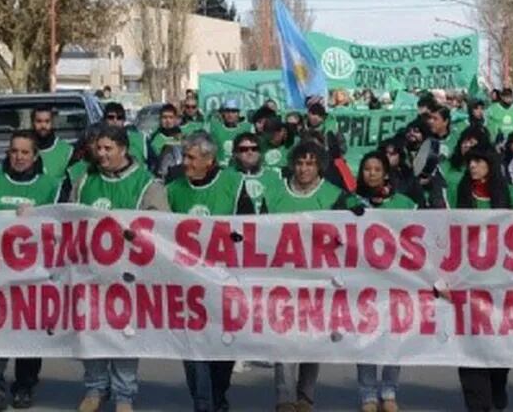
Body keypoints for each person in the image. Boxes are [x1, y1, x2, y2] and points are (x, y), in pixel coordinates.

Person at [71, 125, 168, 412]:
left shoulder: (147, 184)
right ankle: (94, 388)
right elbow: (69, 217)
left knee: (124, 333)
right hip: (91, 271)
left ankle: (124, 394)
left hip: (129, 274)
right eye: (97, 148)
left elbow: (161, 227)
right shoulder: (84, 180)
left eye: (107, 149)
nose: (101, 154)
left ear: (123, 149)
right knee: (91, 331)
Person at [0, 130, 67, 411]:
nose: (19, 157)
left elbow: (64, 226)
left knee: (29, 332)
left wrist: (39, 218)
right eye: (14, 151)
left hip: (36, 273)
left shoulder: (52, 185)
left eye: (25, 152)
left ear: (35, 156)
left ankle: (25, 385)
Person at [166, 132, 253, 412]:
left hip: (224, 281)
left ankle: (218, 394)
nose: (185, 162)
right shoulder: (173, 188)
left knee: (222, 346)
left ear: (209, 160)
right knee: (193, 349)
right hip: (187, 284)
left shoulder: (233, 184)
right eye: (185, 156)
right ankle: (202, 402)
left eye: (191, 157)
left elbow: (250, 229)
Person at [262, 142, 344, 412]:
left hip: (318, 280)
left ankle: (305, 396)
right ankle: (284, 398)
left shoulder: (334, 195)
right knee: (284, 339)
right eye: (299, 163)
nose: (304, 169)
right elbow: (259, 233)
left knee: (312, 341)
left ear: (319, 166)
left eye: (310, 163)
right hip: (283, 279)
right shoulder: (274, 194)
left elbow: (350, 231)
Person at [337, 152, 414, 412]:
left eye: (376, 169)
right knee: (366, 336)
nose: (371, 173)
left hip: (395, 280)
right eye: (367, 169)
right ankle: (367, 393)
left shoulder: (404, 203)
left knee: (394, 336)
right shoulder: (349, 201)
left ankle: (389, 390)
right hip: (362, 281)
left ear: (385, 173)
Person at [455, 147, 513, 411]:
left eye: (479, 161)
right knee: (468, 346)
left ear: (491, 165)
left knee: (497, 344)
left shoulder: (512, 195)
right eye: (470, 162)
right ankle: (477, 403)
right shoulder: (456, 194)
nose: (473, 166)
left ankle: (497, 384)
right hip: (466, 282)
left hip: (500, 283)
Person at [437, 127, 491, 209]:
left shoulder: (488, 170)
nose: (467, 145)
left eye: (471, 142)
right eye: (464, 142)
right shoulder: (446, 166)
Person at [231, 132, 282, 213]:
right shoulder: (227, 177)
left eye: (254, 149)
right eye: (244, 149)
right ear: (235, 153)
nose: (250, 152)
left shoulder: (275, 176)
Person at [103, 102, 154, 168]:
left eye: (119, 118)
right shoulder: (98, 141)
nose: (115, 121)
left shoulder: (141, 139)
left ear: (124, 120)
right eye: (111, 117)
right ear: (104, 120)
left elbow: (154, 165)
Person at [379, 136, 425, 206]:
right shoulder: (372, 172)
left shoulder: (409, 175)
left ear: (400, 156)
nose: (387, 156)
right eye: (384, 153)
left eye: (392, 153)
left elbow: (419, 200)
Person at [31, 106, 72, 179]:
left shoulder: (67, 151)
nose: (43, 125)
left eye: (47, 121)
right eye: (39, 121)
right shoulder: (22, 150)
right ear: (33, 123)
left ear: (52, 123)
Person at [210, 99, 251, 167]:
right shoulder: (215, 128)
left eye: (233, 111)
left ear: (239, 113)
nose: (230, 114)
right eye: (227, 111)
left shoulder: (246, 128)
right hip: (220, 169)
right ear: (223, 113)